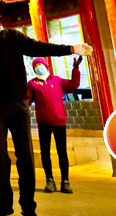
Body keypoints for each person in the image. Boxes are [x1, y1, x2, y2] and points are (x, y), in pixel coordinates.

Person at [0, 0, 92, 216]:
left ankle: (28, 205)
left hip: (18, 105)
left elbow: (39, 47)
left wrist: (70, 49)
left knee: (25, 155)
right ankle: (3, 205)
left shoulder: (14, 36)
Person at [28, 56, 81, 195]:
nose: (39, 67)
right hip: (43, 123)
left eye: (40, 64)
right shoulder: (32, 84)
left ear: (46, 66)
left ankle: (65, 181)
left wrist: (75, 69)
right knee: (45, 152)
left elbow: (73, 85)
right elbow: (26, 101)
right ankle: (49, 180)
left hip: (59, 122)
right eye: (36, 66)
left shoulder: (57, 80)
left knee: (62, 152)